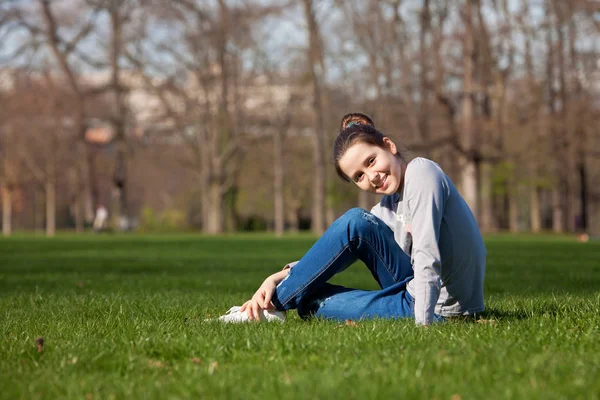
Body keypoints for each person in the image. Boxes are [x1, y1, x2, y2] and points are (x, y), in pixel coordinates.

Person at [214, 113, 486, 326]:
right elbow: (335, 249)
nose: (371, 177)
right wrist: (275, 278)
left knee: (308, 298)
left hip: (439, 308)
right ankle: (273, 302)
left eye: (370, 161)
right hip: (416, 291)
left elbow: (428, 254)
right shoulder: (389, 205)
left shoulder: (421, 173)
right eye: (359, 176)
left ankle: (262, 310)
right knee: (355, 226)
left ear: (388, 146)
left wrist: (423, 324)